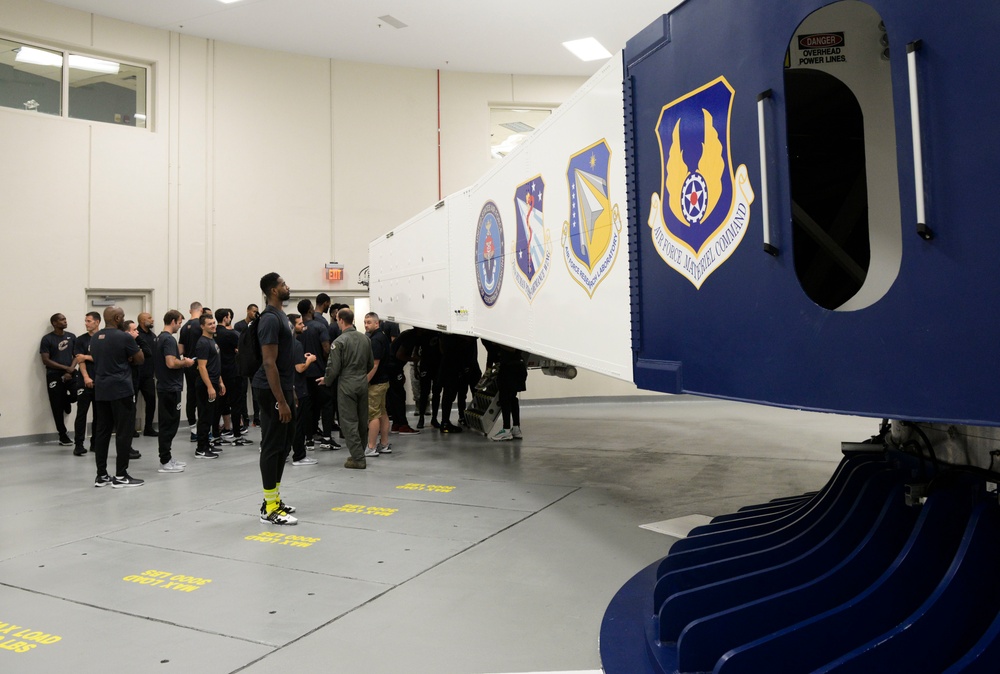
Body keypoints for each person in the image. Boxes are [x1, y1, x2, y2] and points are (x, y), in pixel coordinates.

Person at [253, 273, 298, 524]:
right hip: (269, 390)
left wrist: (289, 393)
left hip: (283, 389)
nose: (287, 286)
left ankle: (274, 499)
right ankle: (269, 509)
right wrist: (280, 400)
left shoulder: (281, 315)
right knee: (272, 446)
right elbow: (269, 363)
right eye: (283, 284)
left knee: (285, 444)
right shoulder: (269, 319)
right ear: (272, 290)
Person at [90, 306, 144, 488]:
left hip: (101, 390)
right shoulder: (125, 337)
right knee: (123, 432)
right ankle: (121, 475)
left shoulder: (96, 337)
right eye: (122, 316)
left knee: (102, 432)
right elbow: (140, 359)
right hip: (121, 390)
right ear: (118, 317)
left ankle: (101, 475)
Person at [321, 308, 373, 469]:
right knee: (362, 420)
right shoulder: (365, 339)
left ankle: (358, 458)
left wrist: (327, 380)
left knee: (349, 421)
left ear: (341, 320)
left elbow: (334, 367)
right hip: (362, 382)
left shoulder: (339, 342)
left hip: (347, 383)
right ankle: (359, 453)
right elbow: (370, 364)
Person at [153, 310, 196, 472]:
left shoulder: (159, 338)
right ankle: (164, 461)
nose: (179, 326)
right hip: (169, 387)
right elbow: (171, 363)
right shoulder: (169, 339)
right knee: (169, 425)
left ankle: (168, 457)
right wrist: (185, 362)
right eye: (179, 322)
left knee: (169, 423)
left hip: (167, 386)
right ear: (172, 321)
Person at [40, 312, 77, 446]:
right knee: (56, 405)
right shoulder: (47, 339)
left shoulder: (71, 336)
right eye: (61, 320)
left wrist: (71, 369)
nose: (65, 321)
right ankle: (62, 435)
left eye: (65, 319)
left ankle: (67, 400)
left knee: (78, 393)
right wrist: (64, 368)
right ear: (54, 323)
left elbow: (76, 355)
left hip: (71, 372)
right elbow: (46, 360)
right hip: (54, 375)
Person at [288, 313, 318, 466]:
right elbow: (299, 368)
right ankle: (299, 456)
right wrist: (309, 361)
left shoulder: (284, 343)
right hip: (298, 389)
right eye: (299, 324)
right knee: (298, 423)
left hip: (288, 387)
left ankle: (284, 451)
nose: (303, 326)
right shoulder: (296, 344)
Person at [484, 340, 527, 441]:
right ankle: (516, 429)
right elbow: (490, 356)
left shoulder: (503, 338)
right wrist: (487, 373)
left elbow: (512, 348)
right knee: (512, 398)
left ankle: (506, 429)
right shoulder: (494, 343)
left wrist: (497, 342)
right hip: (515, 367)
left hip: (511, 369)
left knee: (505, 398)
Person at [194, 313, 224, 459]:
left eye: (214, 323)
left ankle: (207, 443)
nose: (213, 325)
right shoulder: (203, 343)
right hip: (206, 384)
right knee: (205, 416)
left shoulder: (213, 341)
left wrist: (220, 382)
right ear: (202, 326)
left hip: (214, 381)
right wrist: (210, 387)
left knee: (211, 415)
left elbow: (214, 365)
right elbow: (202, 367)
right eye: (209, 324)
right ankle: (201, 448)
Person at [214, 308, 247, 444]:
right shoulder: (231, 334)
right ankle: (237, 434)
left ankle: (217, 433)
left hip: (220, 372)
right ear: (226, 317)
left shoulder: (213, 334)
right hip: (233, 371)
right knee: (236, 403)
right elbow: (244, 350)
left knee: (220, 403)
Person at [72, 311, 101, 456]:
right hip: (84, 381)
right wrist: (86, 377)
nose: (86, 323)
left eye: (89, 321)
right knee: (81, 413)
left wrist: (87, 356)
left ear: (97, 322)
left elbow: (103, 358)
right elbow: (79, 360)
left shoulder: (103, 338)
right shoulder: (80, 340)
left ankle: (95, 443)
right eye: (85, 321)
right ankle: (78, 444)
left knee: (99, 414)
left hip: (100, 381)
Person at [364, 312, 392, 456]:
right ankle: (384, 444)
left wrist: (365, 381)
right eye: (365, 322)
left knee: (373, 415)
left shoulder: (375, 340)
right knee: (382, 413)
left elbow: (375, 365)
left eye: (369, 322)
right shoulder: (382, 337)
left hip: (376, 384)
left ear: (377, 323)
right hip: (383, 381)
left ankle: (371, 446)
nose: (366, 325)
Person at [178, 302, 203, 441]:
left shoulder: (184, 328)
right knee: (202, 398)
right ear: (201, 309)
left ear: (189, 311)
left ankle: (193, 430)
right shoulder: (201, 325)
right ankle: (203, 430)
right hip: (200, 365)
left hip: (188, 366)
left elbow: (180, 349)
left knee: (191, 396)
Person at [233, 303, 260, 432]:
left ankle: (257, 418)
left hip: (255, 363)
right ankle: (244, 419)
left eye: (257, 311)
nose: (255, 313)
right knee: (242, 392)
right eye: (254, 311)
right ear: (248, 311)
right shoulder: (239, 326)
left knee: (256, 392)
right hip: (244, 362)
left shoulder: (257, 324)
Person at [135, 312, 158, 437]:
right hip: (135, 374)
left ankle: (148, 427)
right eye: (149, 318)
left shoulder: (153, 336)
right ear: (142, 321)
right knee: (131, 403)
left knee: (151, 402)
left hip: (148, 375)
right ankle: (131, 429)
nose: (152, 319)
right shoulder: (135, 335)